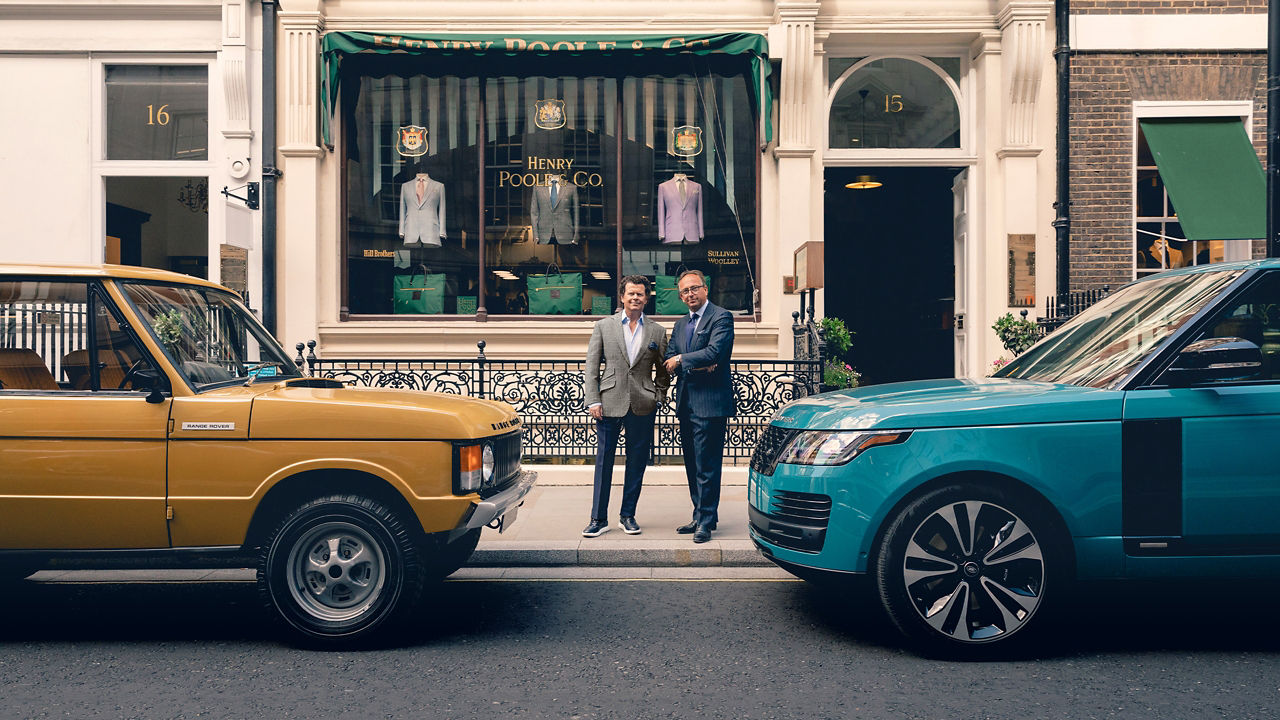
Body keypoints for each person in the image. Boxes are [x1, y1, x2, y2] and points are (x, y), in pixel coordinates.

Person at [581, 276, 670, 537]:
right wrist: (593, 399)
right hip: (608, 402)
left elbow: (663, 370)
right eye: (631, 293)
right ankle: (598, 518)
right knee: (603, 461)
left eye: (640, 294)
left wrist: (659, 395)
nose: (635, 298)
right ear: (622, 297)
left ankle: (627, 515)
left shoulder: (657, 331)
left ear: (646, 298)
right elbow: (591, 365)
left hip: (643, 403)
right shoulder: (603, 326)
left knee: (637, 462)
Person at [663, 269, 736, 543]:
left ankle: (705, 521)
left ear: (705, 289)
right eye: (685, 291)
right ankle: (701, 515)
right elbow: (670, 355)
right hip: (686, 402)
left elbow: (716, 352)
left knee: (707, 465)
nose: (690, 294)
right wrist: (695, 362)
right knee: (692, 465)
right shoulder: (681, 325)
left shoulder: (721, 317)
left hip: (710, 404)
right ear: (681, 297)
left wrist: (684, 360)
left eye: (694, 288)